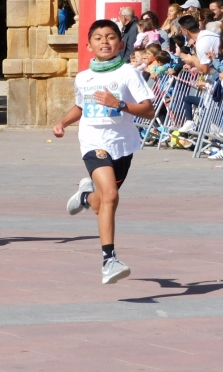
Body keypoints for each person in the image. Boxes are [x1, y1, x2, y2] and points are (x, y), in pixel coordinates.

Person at [53, 19, 155, 284]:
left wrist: (119, 103)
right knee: (110, 195)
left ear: (121, 44)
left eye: (111, 37)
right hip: (92, 142)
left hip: (123, 145)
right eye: (98, 38)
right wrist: (63, 122)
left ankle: (86, 198)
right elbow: (81, 107)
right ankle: (109, 260)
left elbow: (148, 110)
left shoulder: (127, 73)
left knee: (105, 201)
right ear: (88, 45)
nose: (105, 42)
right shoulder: (84, 77)